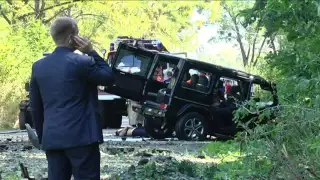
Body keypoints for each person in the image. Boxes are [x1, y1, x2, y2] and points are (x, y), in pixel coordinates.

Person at [30, 17, 114, 180]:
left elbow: (36, 107)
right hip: (82, 138)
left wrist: (43, 138)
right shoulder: (83, 61)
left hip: (52, 139)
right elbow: (109, 77)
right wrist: (91, 51)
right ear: (72, 38)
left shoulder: (38, 66)